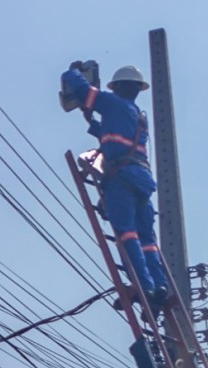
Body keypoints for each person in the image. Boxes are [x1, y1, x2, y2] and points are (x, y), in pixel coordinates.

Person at [62, 62, 168, 311]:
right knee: (147, 238)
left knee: (126, 233)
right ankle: (159, 285)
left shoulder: (111, 103)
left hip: (122, 177)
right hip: (142, 179)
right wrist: (92, 122)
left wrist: (73, 71)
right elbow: (113, 136)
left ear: (118, 86)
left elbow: (82, 89)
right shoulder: (137, 115)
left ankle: (144, 285)